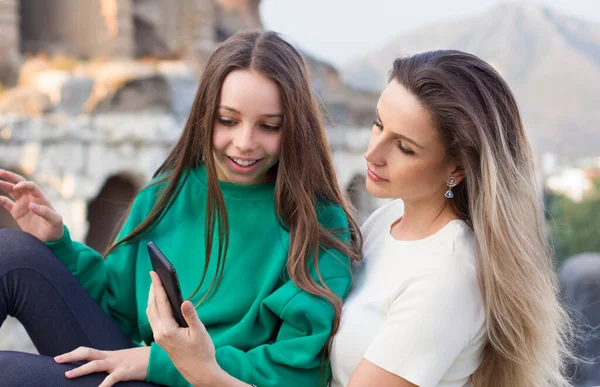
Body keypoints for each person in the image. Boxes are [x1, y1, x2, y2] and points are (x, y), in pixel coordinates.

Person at [148, 50, 574, 387]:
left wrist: (203, 372)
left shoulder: (447, 274)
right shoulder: (387, 222)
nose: (373, 153)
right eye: (378, 124)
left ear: (457, 169)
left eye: (404, 147)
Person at [0, 30, 361, 387]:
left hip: (208, 382)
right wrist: (57, 244)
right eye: (228, 121)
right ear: (205, 115)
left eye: (269, 126)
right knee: (10, 251)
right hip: (144, 368)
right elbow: (115, 308)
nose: (245, 142)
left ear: (295, 128)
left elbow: (295, 369)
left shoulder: (317, 223)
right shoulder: (169, 191)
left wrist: (162, 362)